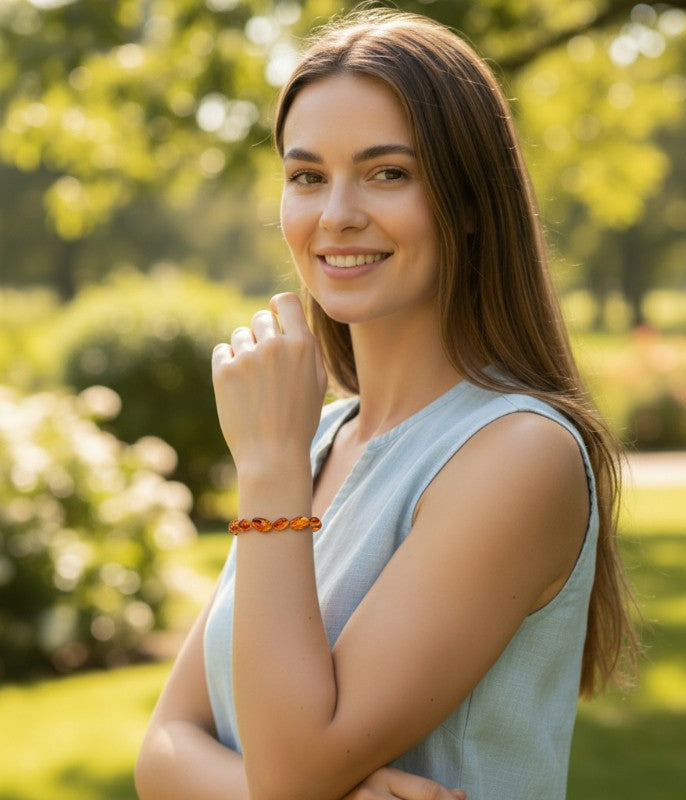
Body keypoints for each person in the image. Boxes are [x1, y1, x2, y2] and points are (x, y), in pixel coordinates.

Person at [135, 8, 636, 800]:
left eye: (387, 173)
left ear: (469, 204)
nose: (336, 214)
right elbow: (162, 750)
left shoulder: (517, 454)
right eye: (307, 176)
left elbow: (291, 774)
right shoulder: (318, 441)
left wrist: (266, 471)